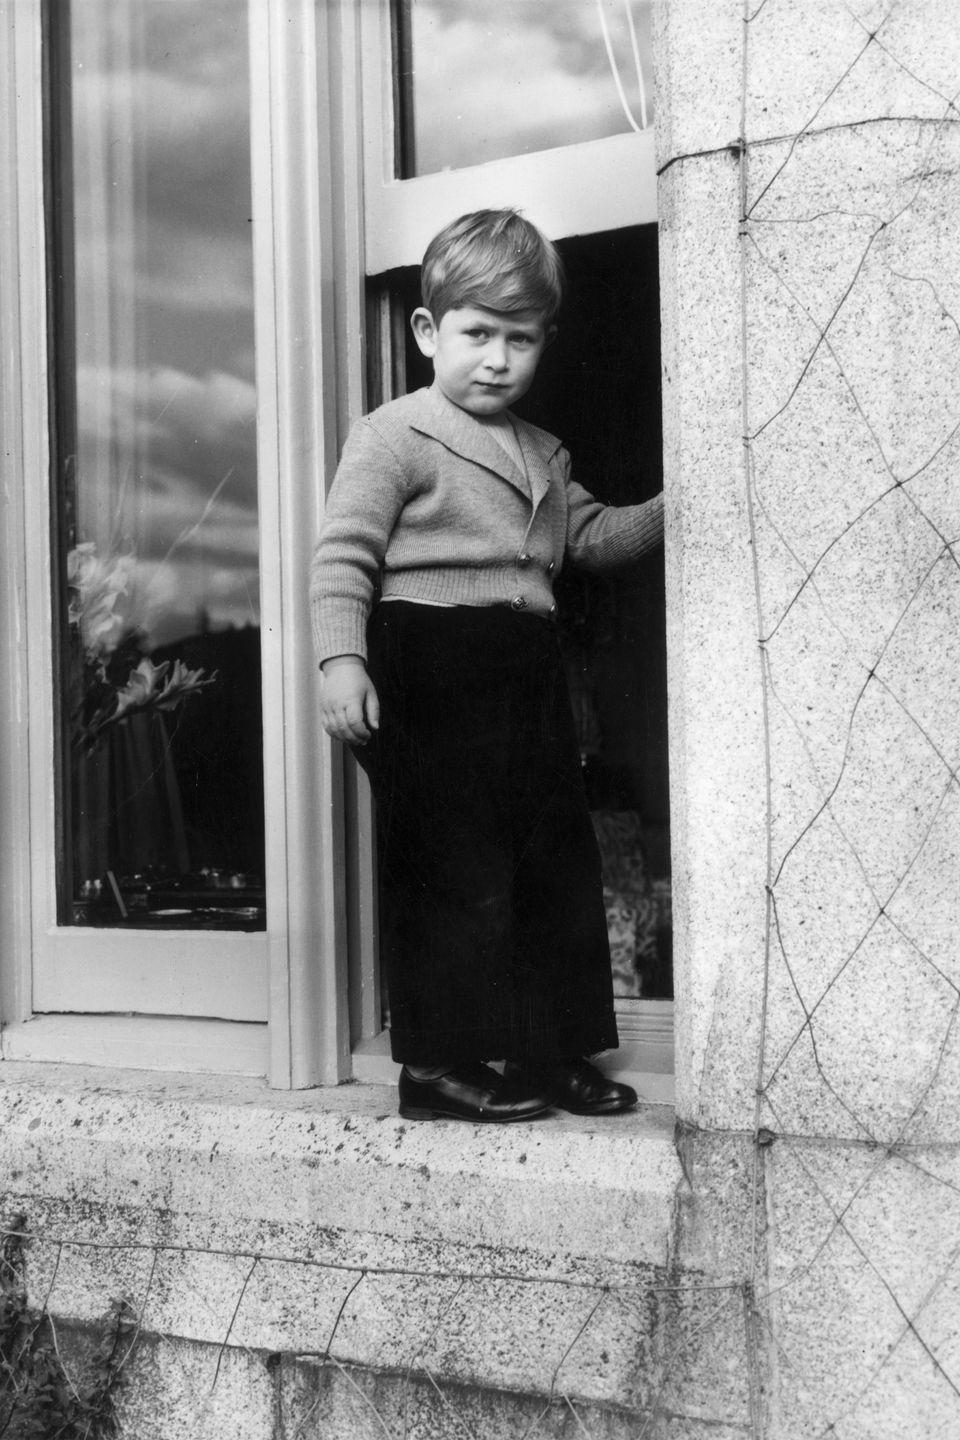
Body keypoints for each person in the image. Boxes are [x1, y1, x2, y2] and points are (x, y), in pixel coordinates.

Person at [310, 209, 663, 1123]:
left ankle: (553, 1054)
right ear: (430, 332)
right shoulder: (395, 433)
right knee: (452, 867)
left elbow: (591, 536)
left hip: (526, 670)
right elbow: (343, 553)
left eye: (520, 338)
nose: (497, 359)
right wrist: (340, 659)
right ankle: (436, 1065)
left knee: (554, 863)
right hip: (428, 662)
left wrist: (679, 501)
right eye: (477, 334)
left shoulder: (545, 450)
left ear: (544, 340)